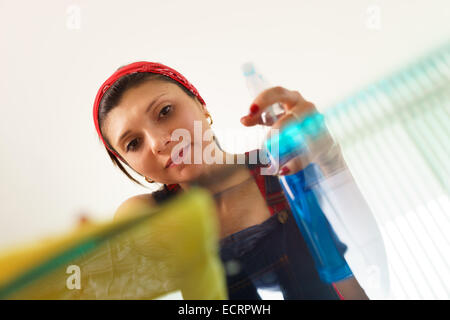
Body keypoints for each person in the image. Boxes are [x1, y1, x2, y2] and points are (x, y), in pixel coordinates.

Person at [93, 61, 368, 299]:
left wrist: (329, 162)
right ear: (131, 166)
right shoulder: (147, 216)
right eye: (133, 143)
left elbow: (349, 279)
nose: (158, 142)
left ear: (202, 107)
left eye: (165, 111)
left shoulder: (281, 170)